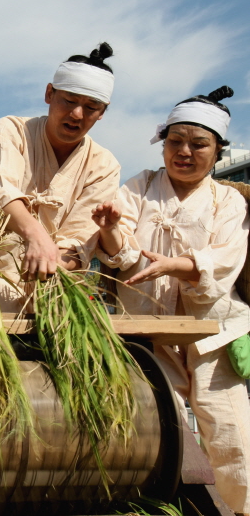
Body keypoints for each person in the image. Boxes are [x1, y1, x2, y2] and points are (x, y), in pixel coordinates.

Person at [92, 86, 250, 515]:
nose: (184, 151)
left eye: (198, 144)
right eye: (174, 141)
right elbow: (121, 253)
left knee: (232, 435)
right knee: (161, 430)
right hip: (148, 338)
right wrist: (107, 229)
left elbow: (224, 262)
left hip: (213, 338)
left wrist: (174, 265)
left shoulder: (228, 201)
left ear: (217, 151)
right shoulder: (139, 188)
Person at [0, 43, 120, 312]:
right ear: (49, 93)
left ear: (102, 113)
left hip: (58, 290)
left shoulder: (104, 165)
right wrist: (36, 236)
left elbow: (80, 239)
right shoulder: (11, 131)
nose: (77, 114)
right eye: (69, 100)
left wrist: (48, 265)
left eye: (91, 107)